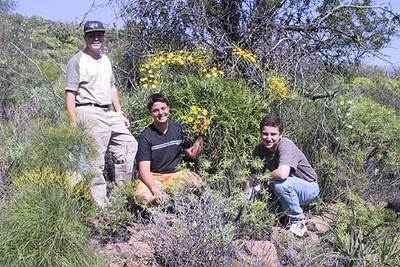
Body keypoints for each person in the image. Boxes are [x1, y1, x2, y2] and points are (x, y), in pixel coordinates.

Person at [65, 20, 138, 208]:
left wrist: (119, 112)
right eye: (91, 35)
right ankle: (100, 208)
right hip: (87, 110)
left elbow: (112, 87)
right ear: (85, 37)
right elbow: (70, 92)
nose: (96, 38)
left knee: (129, 144)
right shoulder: (77, 61)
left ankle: (122, 197)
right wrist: (73, 120)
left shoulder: (105, 59)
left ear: (103, 36)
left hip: (108, 111)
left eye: (99, 34)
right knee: (95, 161)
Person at [250, 114, 319, 237]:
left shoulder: (285, 144)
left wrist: (262, 179)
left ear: (280, 135)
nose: (268, 138)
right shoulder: (260, 149)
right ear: (260, 134)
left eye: (273, 134)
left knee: (278, 184)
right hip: (289, 187)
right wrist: (244, 201)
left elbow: (282, 174)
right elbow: (251, 178)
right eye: (265, 134)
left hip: (308, 188)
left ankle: (298, 221)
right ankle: (271, 220)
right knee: (261, 189)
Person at [134, 93, 206, 205]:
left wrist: (201, 132)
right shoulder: (145, 136)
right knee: (145, 197)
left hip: (175, 175)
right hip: (154, 177)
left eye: (163, 108)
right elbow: (144, 170)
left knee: (197, 183)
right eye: (156, 110)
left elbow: (193, 154)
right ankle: (157, 216)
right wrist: (156, 190)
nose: (161, 113)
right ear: (151, 113)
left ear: (168, 108)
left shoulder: (179, 128)